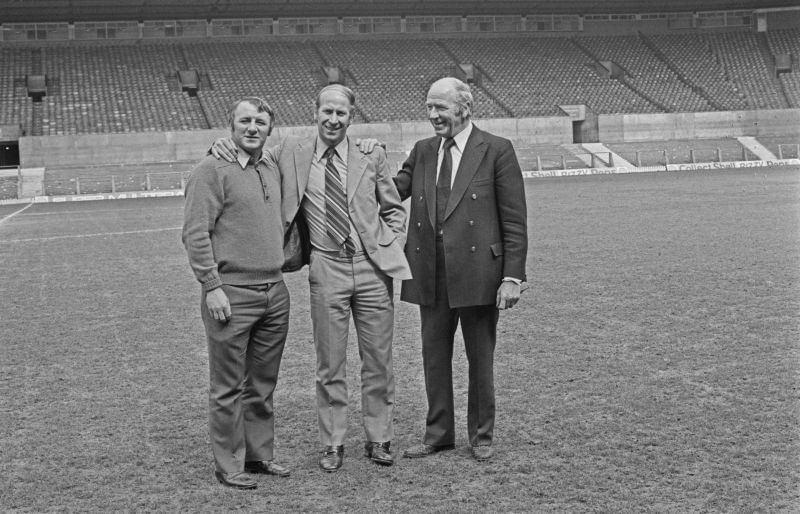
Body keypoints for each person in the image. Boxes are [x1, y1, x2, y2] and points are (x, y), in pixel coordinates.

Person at [211, 84, 411, 472]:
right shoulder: (290, 152)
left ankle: (378, 438)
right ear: (315, 112)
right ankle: (333, 443)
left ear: (352, 117)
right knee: (329, 364)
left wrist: (390, 244)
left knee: (378, 361)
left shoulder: (371, 154)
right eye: (327, 112)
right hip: (326, 266)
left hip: (372, 269)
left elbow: (393, 208)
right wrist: (220, 145)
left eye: (342, 113)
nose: (333, 119)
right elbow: (247, 152)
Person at [394, 77, 528, 462]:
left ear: (464, 108)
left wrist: (512, 276)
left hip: (478, 274)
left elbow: (514, 220)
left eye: (440, 107)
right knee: (433, 358)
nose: (433, 115)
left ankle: (481, 435)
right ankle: (438, 434)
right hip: (429, 273)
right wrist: (362, 158)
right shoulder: (422, 151)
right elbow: (391, 190)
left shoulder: (496, 150)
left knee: (479, 359)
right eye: (429, 108)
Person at [182, 97, 292, 490]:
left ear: (270, 129)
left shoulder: (273, 165)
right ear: (230, 126)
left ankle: (259, 456)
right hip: (231, 293)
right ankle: (229, 465)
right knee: (228, 386)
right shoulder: (210, 169)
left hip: (275, 292)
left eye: (260, 122)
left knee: (262, 383)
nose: (252, 128)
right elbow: (195, 233)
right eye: (244, 121)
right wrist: (211, 287)